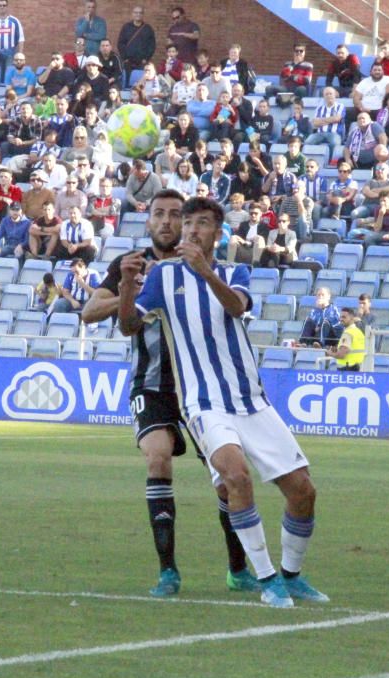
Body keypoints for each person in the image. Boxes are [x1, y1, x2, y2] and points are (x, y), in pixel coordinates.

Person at [118, 196, 329, 608]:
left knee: (303, 491)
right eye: (189, 223)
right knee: (236, 476)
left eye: (202, 224)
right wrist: (127, 286)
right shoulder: (163, 275)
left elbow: (235, 306)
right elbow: (128, 325)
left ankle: (292, 574)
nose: (192, 229)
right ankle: (267, 579)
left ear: (218, 233)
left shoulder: (236, 271)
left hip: (251, 400)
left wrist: (205, 272)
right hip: (203, 403)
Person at [83, 190, 257, 597]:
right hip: (152, 383)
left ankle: (238, 568)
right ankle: (168, 572)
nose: (166, 221)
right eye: (158, 214)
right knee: (158, 457)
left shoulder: (200, 266)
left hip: (202, 386)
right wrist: (132, 291)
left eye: (175, 215)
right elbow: (90, 312)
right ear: (148, 222)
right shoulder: (133, 264)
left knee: (225, 480)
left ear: (189, 223)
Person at [0, 0, 24, 82]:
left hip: (10, 52)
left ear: (7, 6)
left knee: (9, 75)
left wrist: (20, 55)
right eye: (0, 5)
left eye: (4, 5)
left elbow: (21, 39)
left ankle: (7, 93)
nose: (2, 7)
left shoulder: (14, 21)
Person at [117, 6, 156, 85]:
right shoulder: (126, 27)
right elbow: (120, 43)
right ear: (132, 14)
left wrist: (146, 58)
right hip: (128, 61)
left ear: (143, 15)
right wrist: (125, 58)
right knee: (126, 82)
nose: (138, 14)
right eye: (136, 12)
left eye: (140, 13)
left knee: (140, 83)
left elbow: (152, 46)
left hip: (142, 62)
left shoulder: (148, 29)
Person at [305, 87, 345, 159]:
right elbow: (315, 123)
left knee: (335, 143)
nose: (329, 96)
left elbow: (337, 118)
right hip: (320, 133)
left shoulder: (340, 106)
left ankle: (330, 161)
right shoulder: (319, 108)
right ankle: (310, 161)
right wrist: (331, 119)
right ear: (324, 96)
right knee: (308, 142)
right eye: (326, 94)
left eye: (330, 94)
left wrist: (321, 120)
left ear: (335, 94)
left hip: (334, 133)